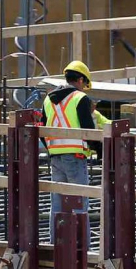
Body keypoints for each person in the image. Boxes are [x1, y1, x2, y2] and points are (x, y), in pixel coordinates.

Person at [43, 60, 102, 243]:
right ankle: (82, 246)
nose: (84, 88)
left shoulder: (48, 99)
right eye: (84, 84)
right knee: (79, 204)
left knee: (58, 205)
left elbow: (41, 128)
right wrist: (100, 150)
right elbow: (88, 128)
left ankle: (56, 244)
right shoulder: (80, 98)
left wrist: (52, 148)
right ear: (80, 79)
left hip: (55, 158)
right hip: (75, 158)